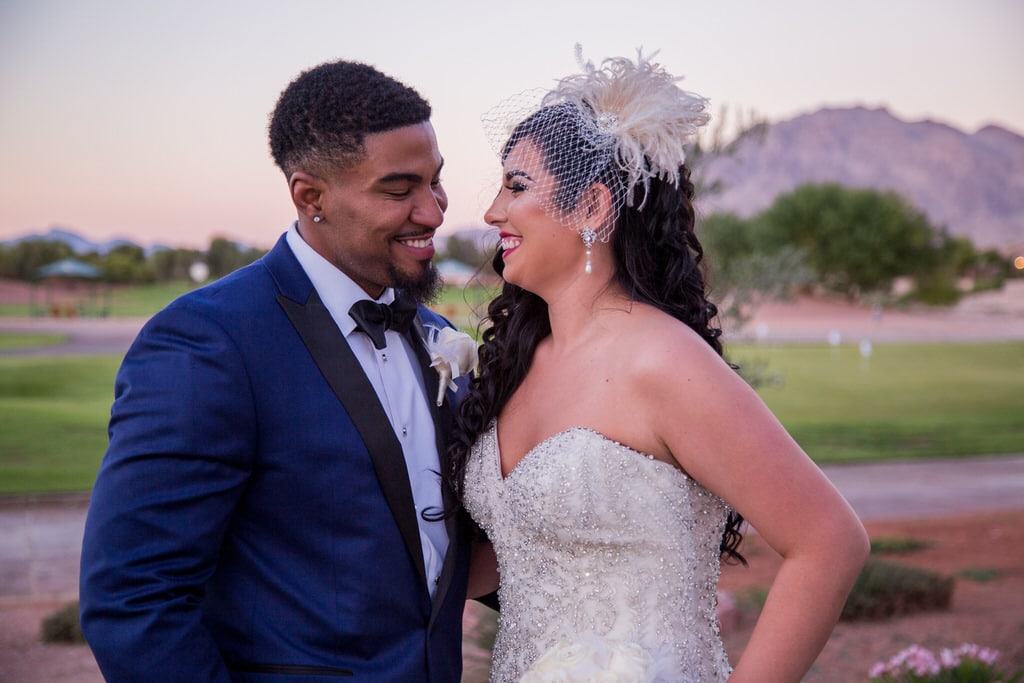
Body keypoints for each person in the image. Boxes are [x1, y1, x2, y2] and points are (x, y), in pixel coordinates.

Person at [447, 48, 870, 682]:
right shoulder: (518, 363)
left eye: (517, 186)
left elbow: (830, 541)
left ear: (592, 208)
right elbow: (523, 552)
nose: (491, 212)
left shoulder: (664, 361)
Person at [80, 60, 474, 682]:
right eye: (399, 191)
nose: (433, 212)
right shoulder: (208, 343)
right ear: (309, 196)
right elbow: (134, 601)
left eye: (436, 181)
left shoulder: (440, 338)